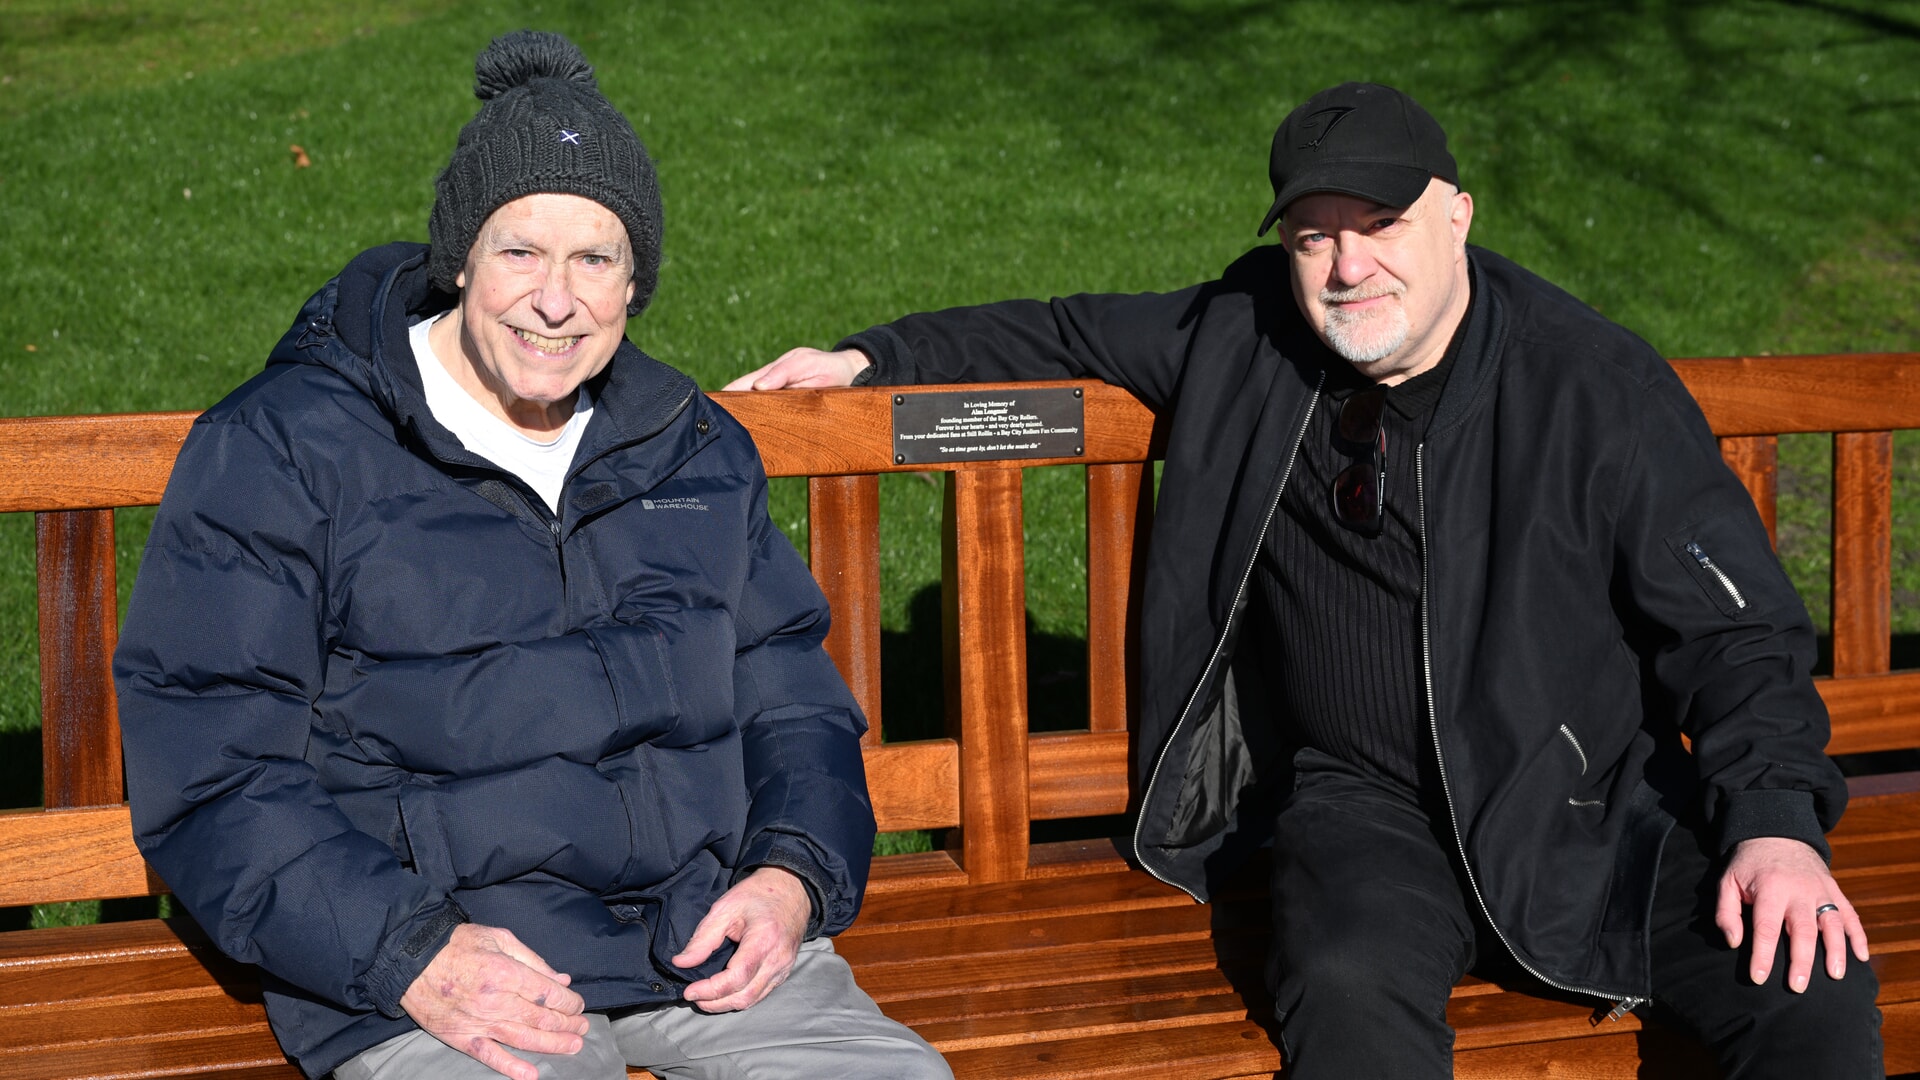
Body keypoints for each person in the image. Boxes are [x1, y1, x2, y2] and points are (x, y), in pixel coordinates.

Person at [726, 82, 1883, 1076]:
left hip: (1579, 802)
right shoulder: (1253, 330)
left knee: (1809, 985)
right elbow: (1063, 330)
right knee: (1342, 983)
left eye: (1380, 222)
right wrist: (875, 358)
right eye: (1315, 235)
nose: (1347, 266)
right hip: (1362, 801)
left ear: (1458, 215)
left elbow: (1737, 638)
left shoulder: (1592, 388)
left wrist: (1775, 823)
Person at [114, 30, 950, 1080]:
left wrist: (792, 877)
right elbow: (215, 764)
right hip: (435, 969)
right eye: (519, 253)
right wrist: (406, 951)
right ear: (459, 255)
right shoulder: (286, 448)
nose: (556, 302)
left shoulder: (689, 449)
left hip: (698, 942)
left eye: (595, 259)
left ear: (634, 281)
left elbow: (794, 701)